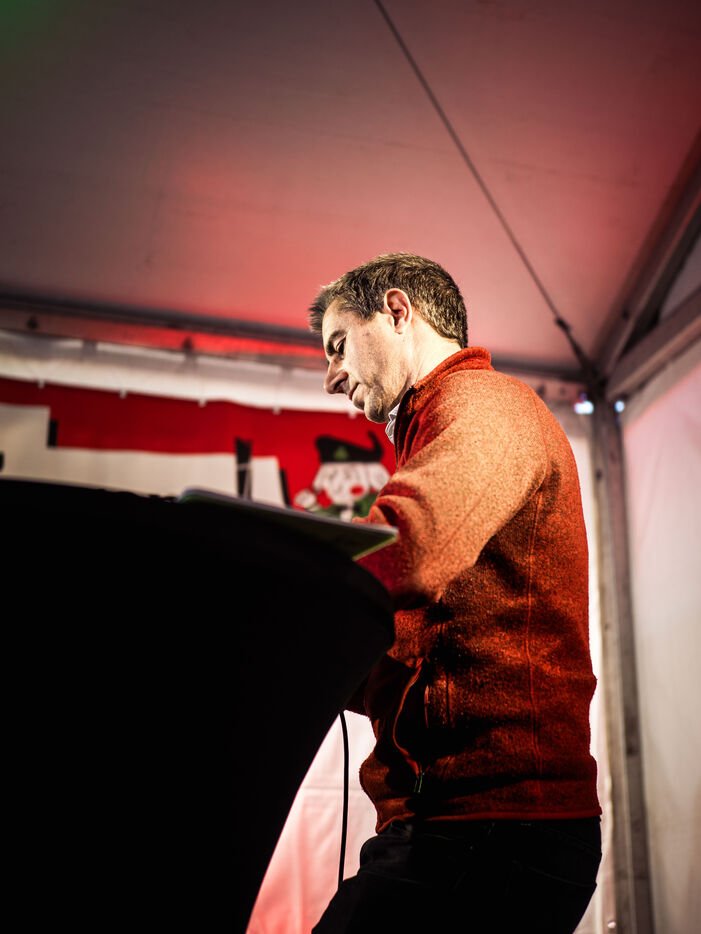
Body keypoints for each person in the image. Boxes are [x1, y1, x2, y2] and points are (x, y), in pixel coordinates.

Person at [307, 253, 602, 933]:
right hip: (468, 823)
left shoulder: (485, 405)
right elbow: (423, 647)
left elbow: (409, 546)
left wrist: (287, 594)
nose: (331, 377)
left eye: (338, 344)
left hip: (489, 825)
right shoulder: (442, 426)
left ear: (397, 311)